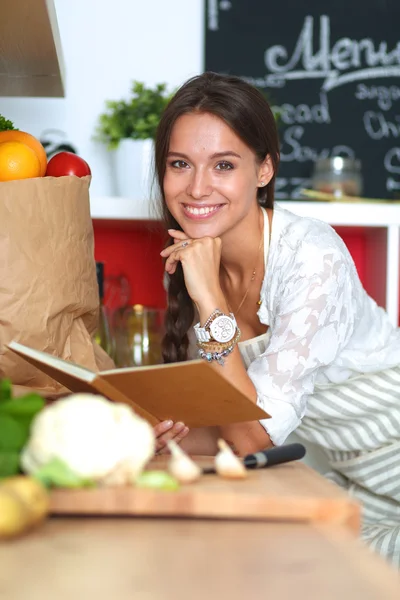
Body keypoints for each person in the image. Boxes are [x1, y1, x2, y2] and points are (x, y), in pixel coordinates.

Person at [152, 71, 400, 567]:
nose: (197, 187)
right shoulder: (198, 260)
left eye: (223, 164)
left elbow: (248, 436)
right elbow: (232, 422)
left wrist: (212, 303)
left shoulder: (312, 256)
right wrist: (153, 438)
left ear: (264, 170)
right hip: (326, 479)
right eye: (180, 163)